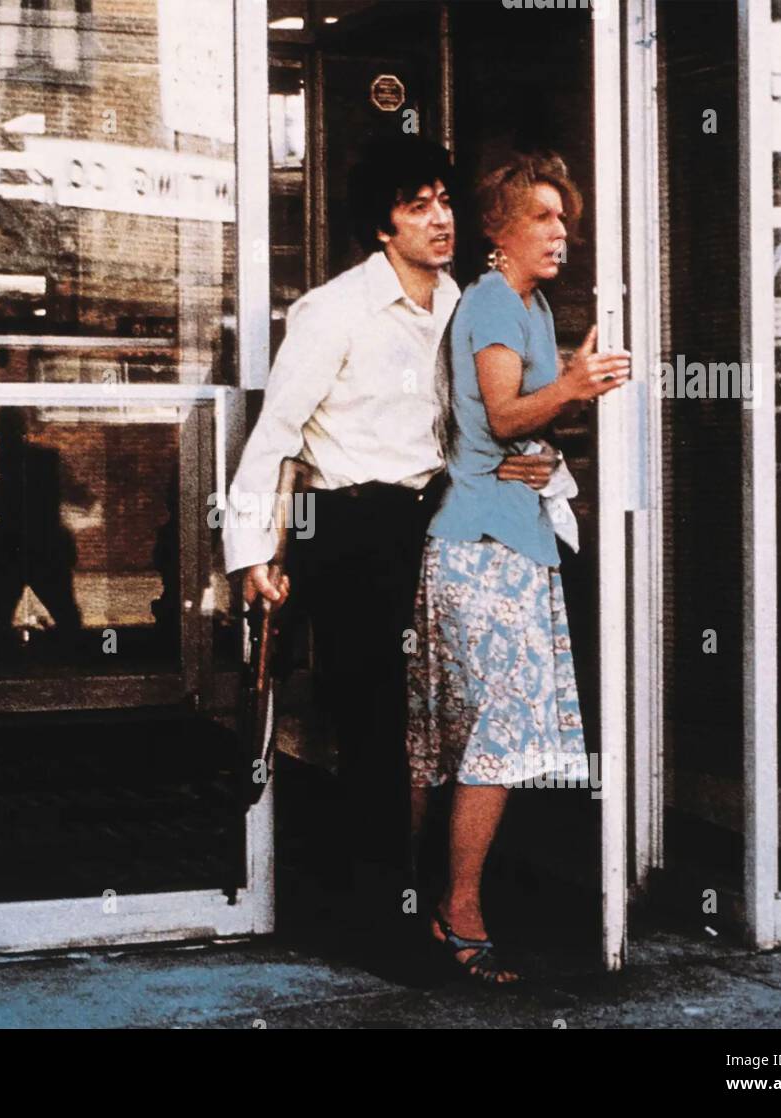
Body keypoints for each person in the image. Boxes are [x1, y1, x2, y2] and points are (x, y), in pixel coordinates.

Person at [222, 137, 548, 974]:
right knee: (374, 732)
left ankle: (444, 904)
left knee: (446, 724)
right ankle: (381, 927)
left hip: (435, 521)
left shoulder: (464, 306)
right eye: (417, 205)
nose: (440, 218)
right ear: (381, 226)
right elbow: (275, 437)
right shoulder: (333, 311)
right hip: (352, 527)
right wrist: (255, 553)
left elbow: (481, 419)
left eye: (443, 200)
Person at [406, 152, 630, 985]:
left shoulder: (527, 306)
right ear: (498, 231)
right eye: (543, 218)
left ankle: (437, 902)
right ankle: (455, 910)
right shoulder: (496, 303)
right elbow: (502, 412)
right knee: (490, 739)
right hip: (480, 552)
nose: (561, 233)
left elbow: (508, 432)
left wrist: (545, 443)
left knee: (470, 739)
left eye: (564, 220)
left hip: (512, 546)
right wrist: (570, 389)